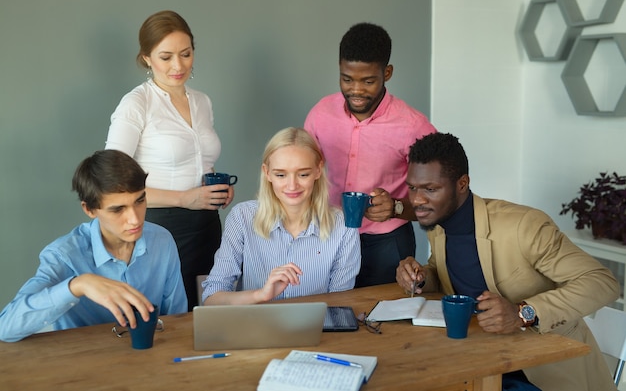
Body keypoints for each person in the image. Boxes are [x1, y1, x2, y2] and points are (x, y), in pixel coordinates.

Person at [395, 132, 620, 391]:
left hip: (543, 371)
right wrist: (421, 277)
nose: (417, 200)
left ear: (462, 184)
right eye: (412, 188)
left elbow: (603, 282)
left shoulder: (524, 226)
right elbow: (446, 270)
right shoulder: (439, 223)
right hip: (481, 360)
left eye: (430, 189)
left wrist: (521, 313)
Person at [105, 10, 233, 310]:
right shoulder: (136, 104)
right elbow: (112, 183)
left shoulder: (202, 101)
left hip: (207, 224)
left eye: (185, 54)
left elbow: (200, 160)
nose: (178, 65)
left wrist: (215, 187)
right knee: (166, 317)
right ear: (147, 58)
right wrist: (185, 197)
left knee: (207, 311)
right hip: (159, 228)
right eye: (166, 57)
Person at [0, 150, 187, 342]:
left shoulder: (162, 240)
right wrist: (78, 285)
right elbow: (6, 328)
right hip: (83, 364)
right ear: (89, 210)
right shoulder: (63, 255)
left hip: (150, 360)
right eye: (118, 209)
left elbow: (176, 319)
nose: (134, 219)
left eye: (140, 201)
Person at [304, 22, 436, 288]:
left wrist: (397, 207)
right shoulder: (320, 113)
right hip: (328, 235)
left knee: (386, 322)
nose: (356, 90)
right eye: (347, 79)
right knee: (327, 317)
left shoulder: (414, 127)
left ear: (387, 73)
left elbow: (438, 197)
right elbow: (303, 173)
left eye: (368, 81)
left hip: (387, 243)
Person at [202, 127, 360, 305]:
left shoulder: (344, 227)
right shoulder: (242, 217)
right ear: (267, 173)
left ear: (318, 170)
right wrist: (261, 294)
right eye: (281, 175)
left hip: (317, 331)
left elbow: (339, 307)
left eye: (303, 174)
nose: (292, 186)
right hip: (255, 329)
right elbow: (211, 299)